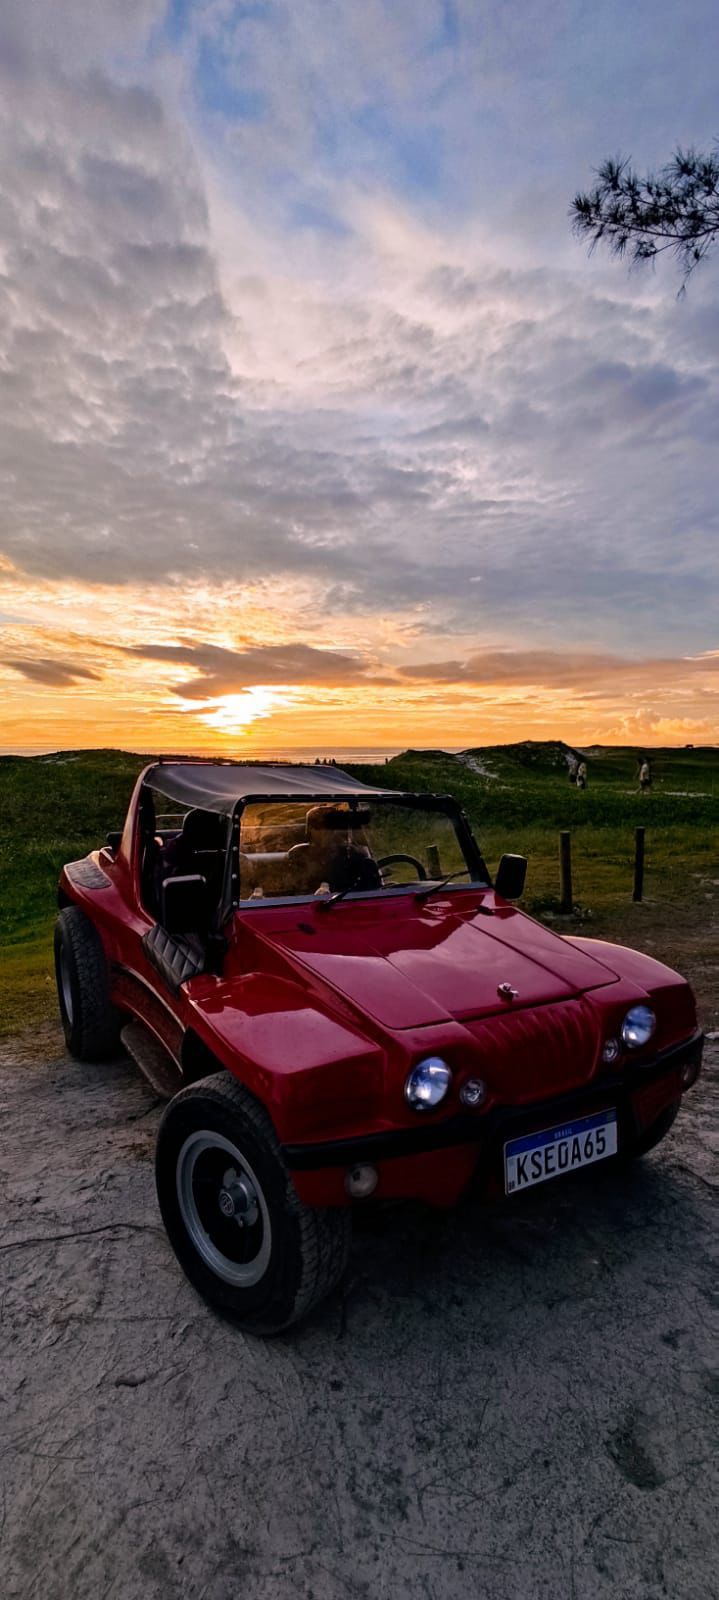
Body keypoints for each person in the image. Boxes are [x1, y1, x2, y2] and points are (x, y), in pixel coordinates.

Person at [286, 803, 381, 895]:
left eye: (330, 827)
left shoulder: (352, 856)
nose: (325, 832)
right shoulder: (299, 855)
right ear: (310, 830)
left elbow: (369, 892)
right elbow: (291, 891)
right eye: (319, 827)